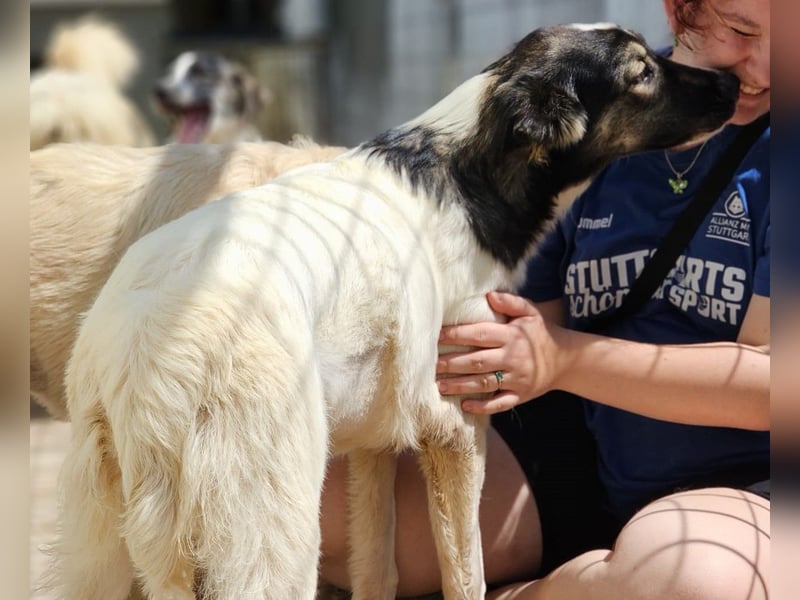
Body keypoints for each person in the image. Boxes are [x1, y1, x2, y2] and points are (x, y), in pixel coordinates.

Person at [318, 0, 770, 598]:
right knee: (304, 501)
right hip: (571, 451)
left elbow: (775, 387)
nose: (764, 69)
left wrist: (561, 359)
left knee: (688, 579)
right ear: (679, 10)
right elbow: (521, 317)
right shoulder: (597, 94)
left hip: (744, 488)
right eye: (740, 31)